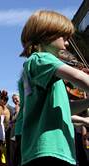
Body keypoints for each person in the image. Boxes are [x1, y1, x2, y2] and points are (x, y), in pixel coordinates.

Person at [18, 10, 89, 165]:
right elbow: (78, 77)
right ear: (46, 35)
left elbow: (64, 108)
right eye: (64, 37)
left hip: (47, 149)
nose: (67, 43)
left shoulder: (39, 67)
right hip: (50, 148)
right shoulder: (41, 59)